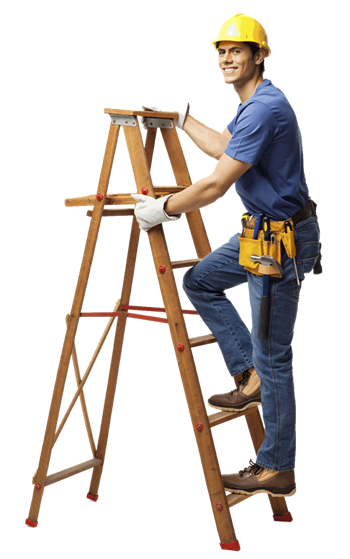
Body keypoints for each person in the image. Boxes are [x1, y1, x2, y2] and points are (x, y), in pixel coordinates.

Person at [131, 13, 322, 498]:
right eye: (222, 51)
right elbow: (224, 149)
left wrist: (164, 209)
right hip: (260, 233)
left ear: (259, 55)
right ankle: (248, 372)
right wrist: (182, 116)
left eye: (238, 50)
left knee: (275, 356)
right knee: (200, 280)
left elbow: (217, 183)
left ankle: (278, 466)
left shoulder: (264, 108)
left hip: (280, 241)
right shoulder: (251, 105)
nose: (227, 58)